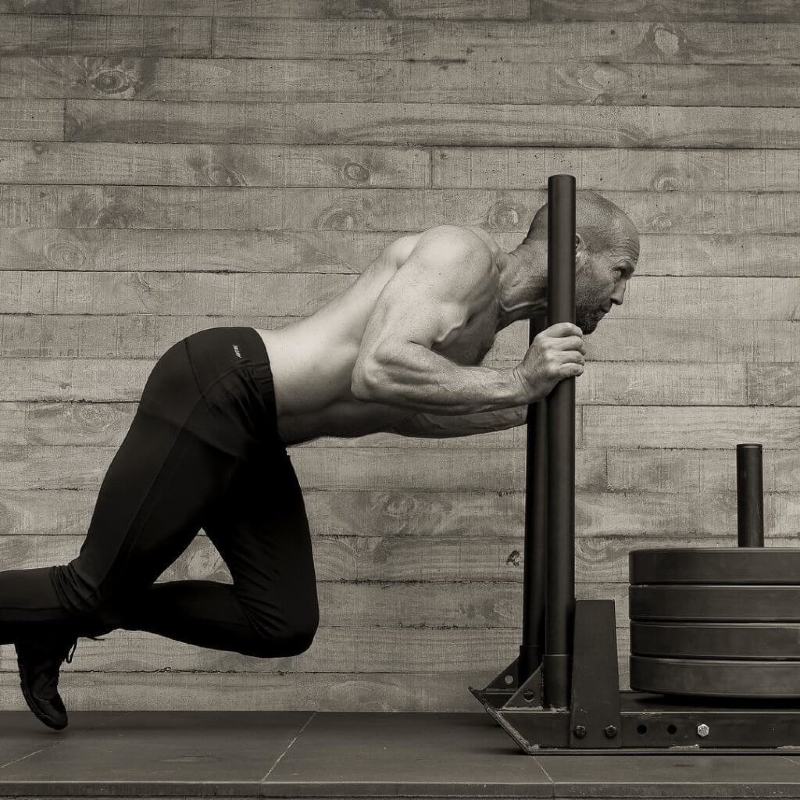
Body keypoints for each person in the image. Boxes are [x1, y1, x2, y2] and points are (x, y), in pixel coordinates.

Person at [3, 189, 639, 730]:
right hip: (218, 390)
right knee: (85, 586)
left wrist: (514, 408)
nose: (621, 297)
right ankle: (75, 607)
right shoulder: (463, 254)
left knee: (280, 621)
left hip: (255, 436)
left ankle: (70, 618)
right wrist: (517, 386)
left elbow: (400, 409)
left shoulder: (482, 332)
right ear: (575, 247)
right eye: (621, 271)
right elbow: (380, 367)